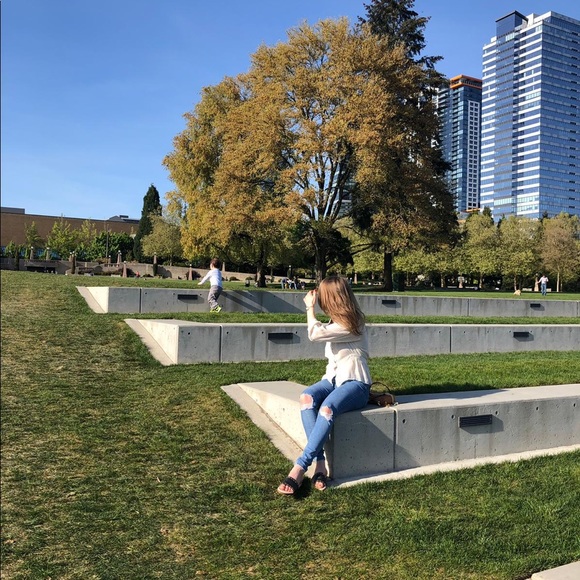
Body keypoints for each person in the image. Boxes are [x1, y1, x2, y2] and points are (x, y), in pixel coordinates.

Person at [277, 275, 371, 495]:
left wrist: (309, 308)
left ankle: (300, 467)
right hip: (333, 380)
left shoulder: (354, 322)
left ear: (332, 298)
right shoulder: (334, 322)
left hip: (356, 384)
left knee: (327, 409)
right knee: (306, 398)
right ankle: (320, 464)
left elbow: (314, 333)